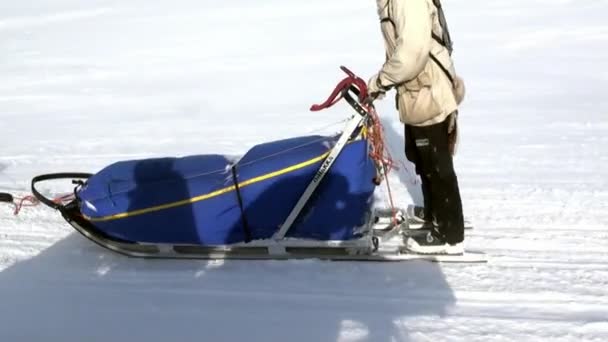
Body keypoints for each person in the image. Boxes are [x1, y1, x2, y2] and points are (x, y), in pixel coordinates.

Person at [366, 0, 466, 254]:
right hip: (418, 92)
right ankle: (434, 212)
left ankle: (449, 233)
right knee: (422, 158)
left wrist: (380, 81)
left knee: (436, 163)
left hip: (429, 91)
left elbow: (411, 53)